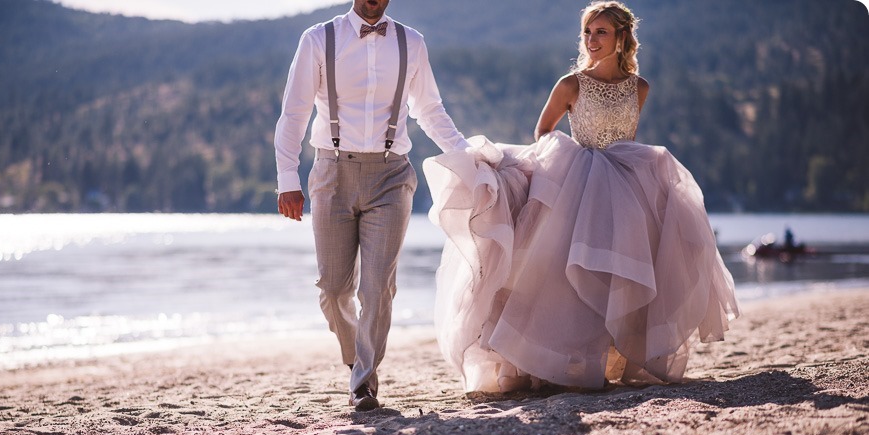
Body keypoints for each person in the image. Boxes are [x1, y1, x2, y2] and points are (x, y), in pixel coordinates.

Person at [424, 1, 739, 392]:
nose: (592, 40)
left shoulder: (640, 88)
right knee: (560, 275)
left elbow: (627, 138)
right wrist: (564, 165)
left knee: (618, 271)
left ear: (622, 38)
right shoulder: (570, 84)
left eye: (601, 32)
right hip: (578, 178)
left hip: (626, 183)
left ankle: (607, 357)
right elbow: (544, 133)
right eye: (588, 32)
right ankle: (553, 364)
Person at [274, 0, 470, 411]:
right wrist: (287, 179)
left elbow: (429, 110)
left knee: (378, 287)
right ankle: (354, 356)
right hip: (331, 173)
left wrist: (465, 158)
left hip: (391, 175)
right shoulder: (317, 39)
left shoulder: (411, 42)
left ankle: (364, 381)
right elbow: (294, 112)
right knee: (332, 289)